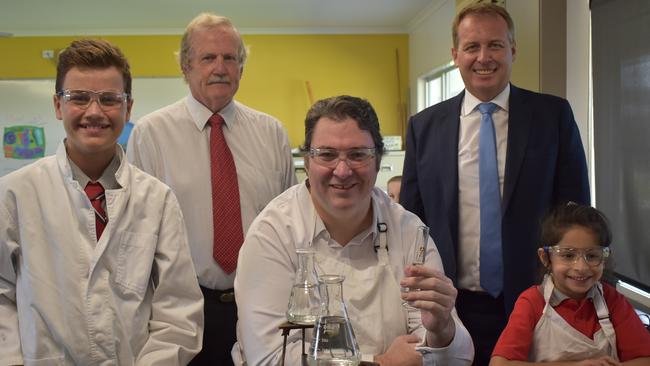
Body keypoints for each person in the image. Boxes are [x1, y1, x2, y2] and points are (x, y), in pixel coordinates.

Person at [399, 3, 590, 365]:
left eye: (495, 45)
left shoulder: (553, 116)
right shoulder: (424, 127)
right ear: (455, 55)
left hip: (537, 304)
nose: (483, 57)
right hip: (452, 308)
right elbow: (410, 221)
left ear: (513, 50)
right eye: (472, 47)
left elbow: (576, 214)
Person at [0, 39, 203, 365]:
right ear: (57, 105)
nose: (94, 112)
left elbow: (178, 310)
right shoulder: (13, 194)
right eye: (78, 98)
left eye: (109, 99)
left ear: (128, 108)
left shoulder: (157, 199)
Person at [233, 95, 474, 365]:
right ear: (307, 161)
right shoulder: (272, 235)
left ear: (378, 161)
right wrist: (381, 363)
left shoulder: (408, 231)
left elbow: (458, 358)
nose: (343, 170)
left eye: (358, 155)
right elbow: (268, 358)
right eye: (327, 155)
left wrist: (442, 331)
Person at [126, 13, 297, 365]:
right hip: (181, 310)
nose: (220, 67)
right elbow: (137, 231)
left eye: (230, 58)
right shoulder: (151, 134)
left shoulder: (272, 133)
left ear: (241, 69)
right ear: (186, 67)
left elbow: (291, 224)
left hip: (263, 305)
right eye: (208, 58)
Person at [490, 203, 650, 365]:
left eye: (592, 255)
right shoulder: (532, 302)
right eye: (568, 255)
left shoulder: (612, 301)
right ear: (546, 258)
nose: (581, 267)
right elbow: (499, 364)